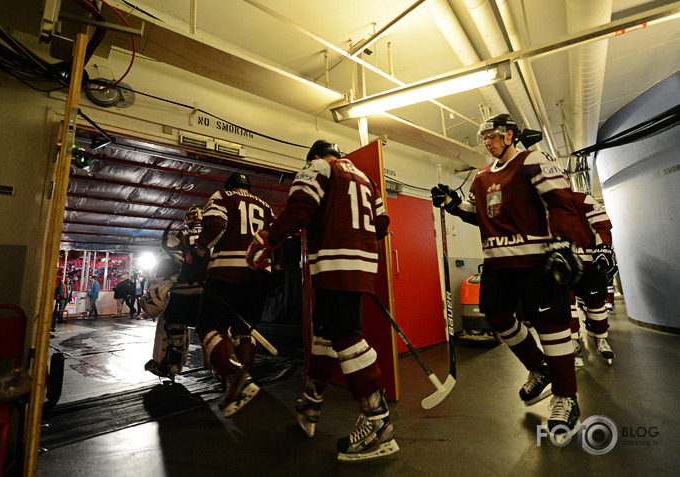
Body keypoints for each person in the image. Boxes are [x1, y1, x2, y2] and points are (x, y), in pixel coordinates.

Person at [431, 115, 583, 438]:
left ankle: (566, 396)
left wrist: (563, 242)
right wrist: (454, 205)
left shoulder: (533, 161)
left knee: (551, 327)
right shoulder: (482, 176)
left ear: (509, 135)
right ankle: (539, 368)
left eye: (492, 136)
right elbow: (479, 213)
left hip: (535, 262)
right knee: (497, 316)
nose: (487, 142)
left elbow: (560, 201)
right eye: (483, 137)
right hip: (497, 265)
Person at [246, 140, 398, 462]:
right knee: (325, 332)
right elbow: (382, 226)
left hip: (333, 262)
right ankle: (312, 399)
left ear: (314, 156)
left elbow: (300, 210)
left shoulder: (319, 167)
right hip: (361, 263)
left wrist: (266, 239)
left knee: (346, 335)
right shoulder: (366, 179)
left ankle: (378, 424)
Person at [194, 172, 275, 418]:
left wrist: (199, 249)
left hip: (227, 270)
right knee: (243, 329)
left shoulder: (222, 196)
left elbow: (216, 225)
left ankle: (235, 377)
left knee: (209, 327)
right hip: (260, 273)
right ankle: (244, 379)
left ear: (229, 186)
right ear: (248, 187)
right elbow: (276, 238)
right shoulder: (266, 205)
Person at [144, 205, 205, 379]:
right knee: (219, 330)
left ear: (187, 219)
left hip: (182, 295)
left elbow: (165, 269)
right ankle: (224, 367)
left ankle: (170, 365)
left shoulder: (178, 237)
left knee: (171, 325)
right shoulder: (214, 236)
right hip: (208, 295)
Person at [565, 186, 617, 365]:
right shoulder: (544, 204)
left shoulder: (582, 199)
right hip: (562, 264)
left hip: (588, 263)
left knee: (596, 303)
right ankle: (573, 340)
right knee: (566, 305)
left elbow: (601, 224)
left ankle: (601, 338)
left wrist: (603, 246)